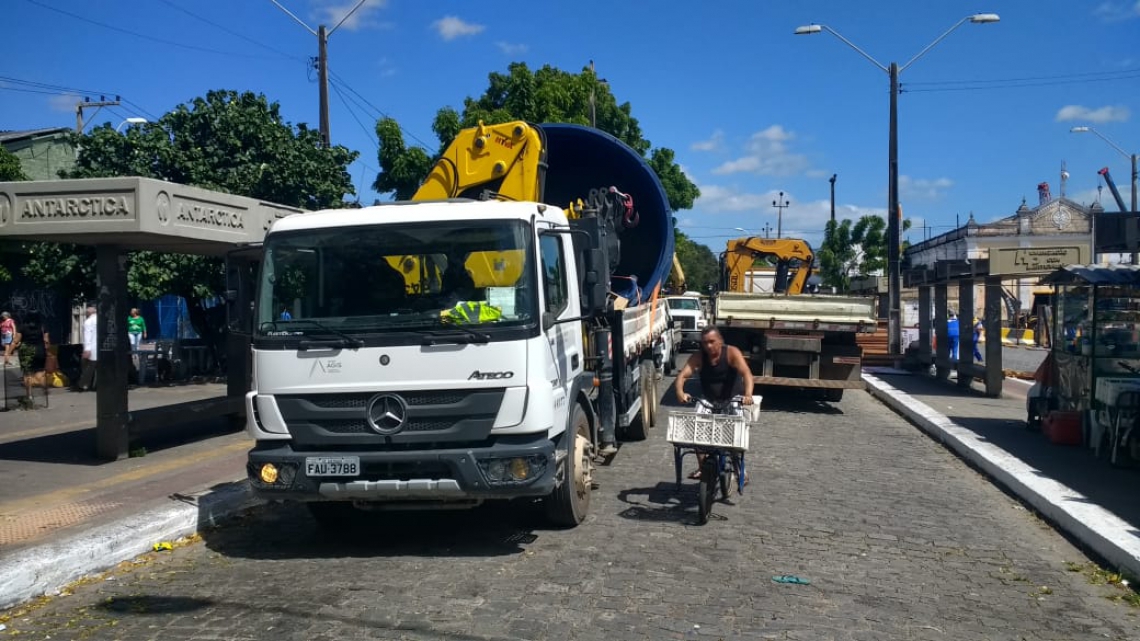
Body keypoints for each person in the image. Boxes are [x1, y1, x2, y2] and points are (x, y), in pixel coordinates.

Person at [672, 326, 755, 480]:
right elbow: (683, 376)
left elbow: (747, 374)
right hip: (709, 400)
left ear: (720, 341)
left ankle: (738, 468)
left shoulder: (731, 352)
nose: (708, 346)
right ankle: (703, 467)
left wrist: (748, 395)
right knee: (696, 430)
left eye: (712, 342)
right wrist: (679, 392)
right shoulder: (699, 357)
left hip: (732, 399)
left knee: (735, 436)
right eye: (705, 343)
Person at [77, 305, 98, 391]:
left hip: (91, 349)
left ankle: (83, 384)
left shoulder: (88, 322)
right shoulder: (102, 320)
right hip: (100, 349)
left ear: (88, 313)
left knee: (87, 368)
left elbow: (87, 336)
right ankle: (96, 385)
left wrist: (87, 349)